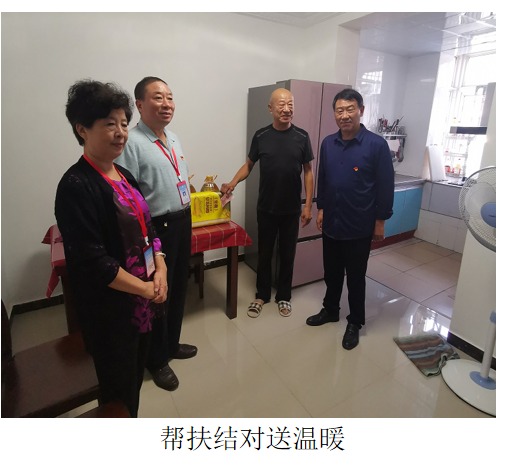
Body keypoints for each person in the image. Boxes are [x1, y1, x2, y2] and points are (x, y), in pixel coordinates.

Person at [55, 80, 168, 417]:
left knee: (132, 382)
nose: (120, 133)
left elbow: (148, 229)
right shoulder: (76, 185)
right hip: (112, 313)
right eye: (109, 124)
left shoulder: (125, 175)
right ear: (82, 129)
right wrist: (145, 288)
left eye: (123, 124)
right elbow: (92, 261)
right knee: (116, 391)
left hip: (142, 302)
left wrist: (160, 266)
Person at [116, 77, 197, 392]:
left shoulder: (172, 138)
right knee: (158, 293)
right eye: (158, 97)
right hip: (156, 229)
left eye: (170, 97)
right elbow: (128, 198)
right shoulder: (132, 143)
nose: (167, 104)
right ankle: (156, 358)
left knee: (177, 287)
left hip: (182, 220)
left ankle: (171, 344)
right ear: (139, 105)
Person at [306, 88, 394, 350]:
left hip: (359, 224)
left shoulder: (376, 145)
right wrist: (321, 209)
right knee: (331, 272)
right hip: (332, 221)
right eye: (339, 110)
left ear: (361, 111)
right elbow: (323, 178)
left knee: (355, 277)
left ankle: (355, 321)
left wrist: (380, 221)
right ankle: (330, 310)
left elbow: (385, 186)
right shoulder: (327, 143)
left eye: (350, 109)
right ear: (334, 113)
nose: (344, 115)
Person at [221, 88, 314, 318]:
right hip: (266, 207)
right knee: (264, 253)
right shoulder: (261, 136)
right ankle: (261, 295)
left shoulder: (302, 137)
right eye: (281, 104)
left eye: (290, 104)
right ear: (270, 108)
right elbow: (249, 165)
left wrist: (308, 205)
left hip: (291, 208)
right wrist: (233, 182)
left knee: (288, 254)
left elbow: (308, 172)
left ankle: (284, 296)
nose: (287, 109)